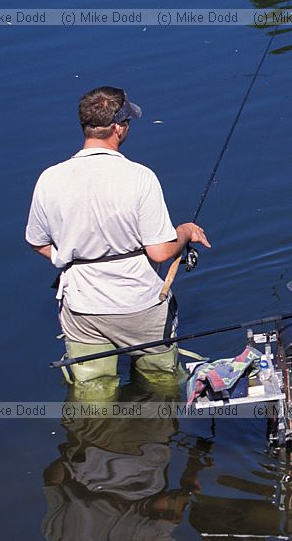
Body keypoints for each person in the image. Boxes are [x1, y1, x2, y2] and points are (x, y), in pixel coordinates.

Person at [26, 86, 210, 383]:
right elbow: (160, 253)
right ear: (118, 128)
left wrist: (70, 257)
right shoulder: (140, 177)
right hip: (139, 303)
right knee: (162, 384)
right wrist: (185, 232)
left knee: (92, 392)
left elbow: (37, 241)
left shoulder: (50, 178)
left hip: (82, 305)